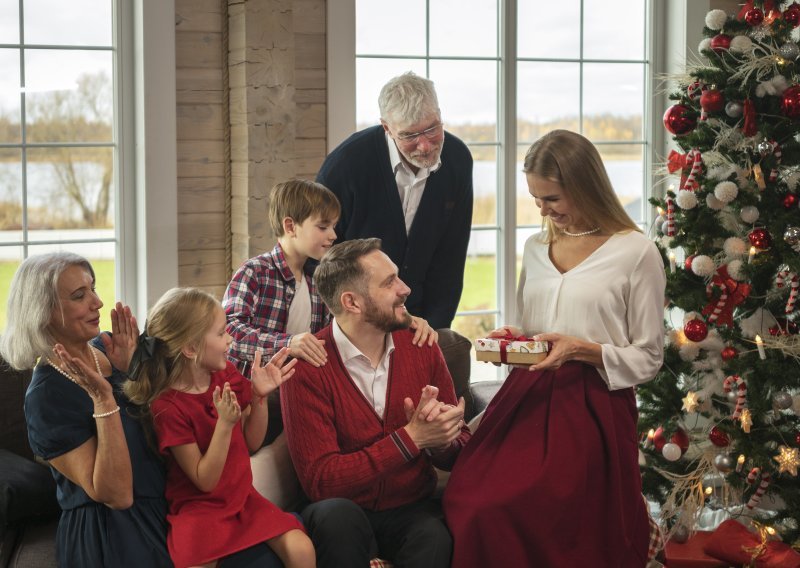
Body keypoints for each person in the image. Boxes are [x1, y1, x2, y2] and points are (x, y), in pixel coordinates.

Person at [443, 130, 666, 567]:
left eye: (551, 199)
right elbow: (534, 330)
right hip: (527, 398)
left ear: (584, 186)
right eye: (536, 199)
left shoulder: (637, 253)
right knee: (469, 500)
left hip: (593, 406)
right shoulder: (537, 247)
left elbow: (649, 357)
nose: (542, 210)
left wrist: (582, 350)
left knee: (545, 515)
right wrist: (513, 340)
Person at [280, 238, 471, 568]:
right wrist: (411, 439)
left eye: (397, 276)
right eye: (389, 282)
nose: (405, 288)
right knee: (337, 517)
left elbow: (460, 453)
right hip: (340, 511)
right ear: (352, 302)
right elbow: (321, 481)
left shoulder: (421, 344)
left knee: (435, 536)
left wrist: (442, 438)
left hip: (411, 507)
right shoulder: (307, 367)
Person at [0, 252, 172, 567]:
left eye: (92, 288)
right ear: (43, 312)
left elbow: (166, 432)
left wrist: (133, 373)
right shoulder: (45, 397)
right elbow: (117, 495)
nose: (98, 302)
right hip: (114, 535)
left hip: (167, 507)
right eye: (80, 296)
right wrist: (104, 401)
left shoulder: (107, 349)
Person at [123, 288, 315, 568]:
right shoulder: (167, 408)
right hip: (200, 509)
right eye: (221, 333)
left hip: (243, 499)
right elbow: (205, 480)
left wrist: (259, 398)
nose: (230, 339)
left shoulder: (226, 375)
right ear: (190, 349)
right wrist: (225, 425)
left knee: (302, 549)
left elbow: (251, 442)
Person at [223, 179, 436, 378]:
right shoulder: (255, 272)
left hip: (301, 384)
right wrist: (288, 344)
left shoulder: (320, 280)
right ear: (290, 227)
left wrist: (406, 319)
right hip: (249, 391)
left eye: (333, 226)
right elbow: (228, 333)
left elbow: (359, 313)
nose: (333, 235)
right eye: (323, 227)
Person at [316, 71, 473, 330]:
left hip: (422, 320)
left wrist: (435, 329)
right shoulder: (345, 166)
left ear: (440, 115)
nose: (424, 146)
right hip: (357, 320)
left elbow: (451, 256)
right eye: (410, 136)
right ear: (387, 127)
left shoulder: (458, 161)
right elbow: (321, 258)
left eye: (432, 129)